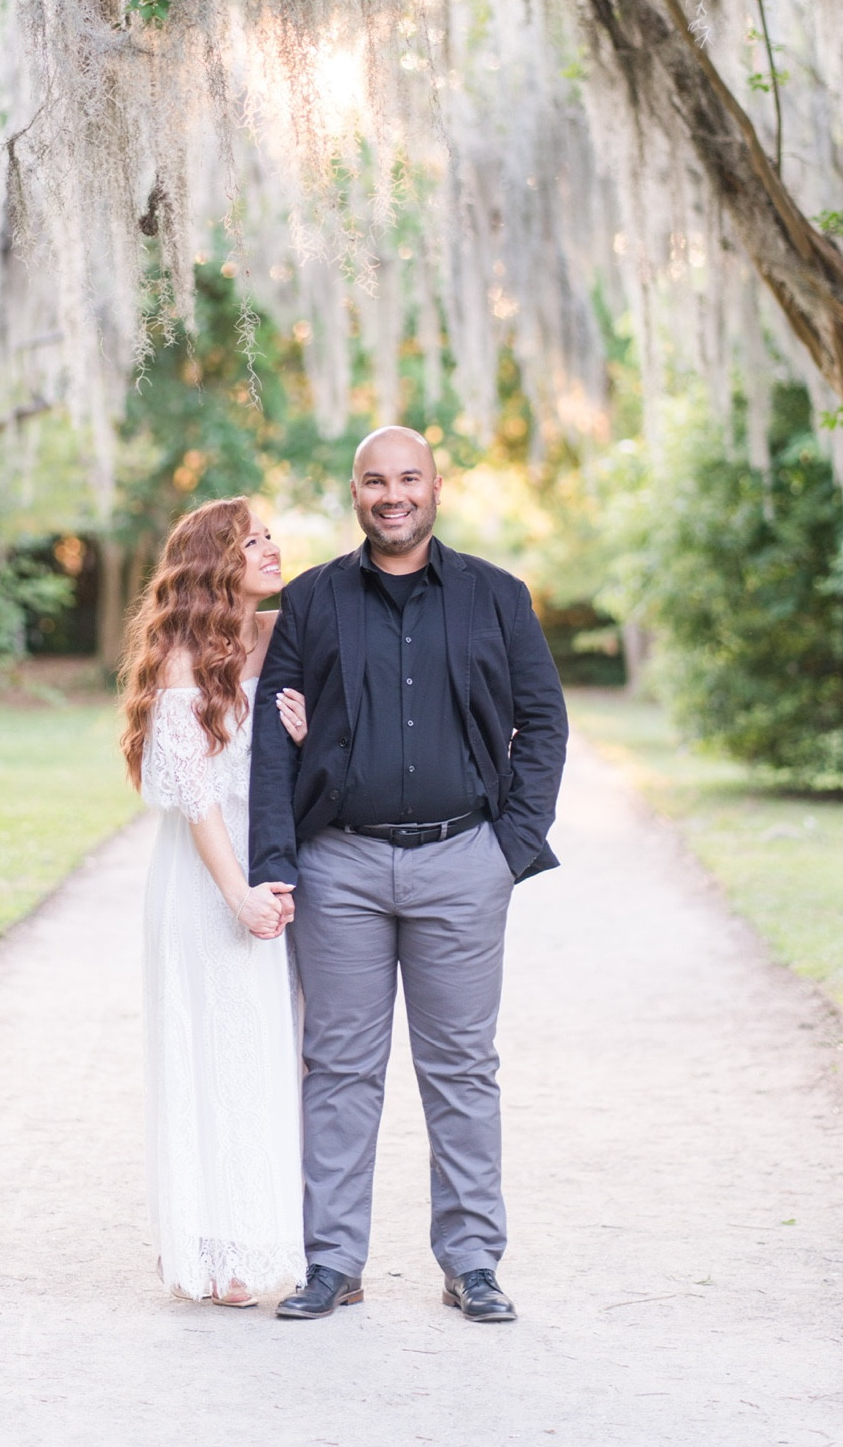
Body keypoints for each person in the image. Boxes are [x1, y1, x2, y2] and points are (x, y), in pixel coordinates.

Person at [249, 426, 568, 1325]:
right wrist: (274, 862)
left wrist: (509, 848)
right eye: (374, 481)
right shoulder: (312, 602)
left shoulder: (496, 598)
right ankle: (332, 1263)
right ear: (354, 493)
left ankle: (471, 1263)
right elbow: (271, 744)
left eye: (408, 479)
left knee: (462, 1070)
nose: (393, 496)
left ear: (436, 488)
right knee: (338, 1070)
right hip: (339, 864)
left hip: (463, 860)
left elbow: (543, 724)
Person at [121, 496, 309, 1306]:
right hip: (205, 881)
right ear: (213, 562)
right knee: (206, 1050)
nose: (271, 548)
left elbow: (291, 767)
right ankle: (205, 1245)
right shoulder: (178, 659)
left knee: (259, 1054)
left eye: (271, 535)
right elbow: (194, 792)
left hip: (261, 867)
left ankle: (250, 1237)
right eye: (252, 540)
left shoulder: (280, 637)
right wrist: (236, 893)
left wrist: (301, 740)